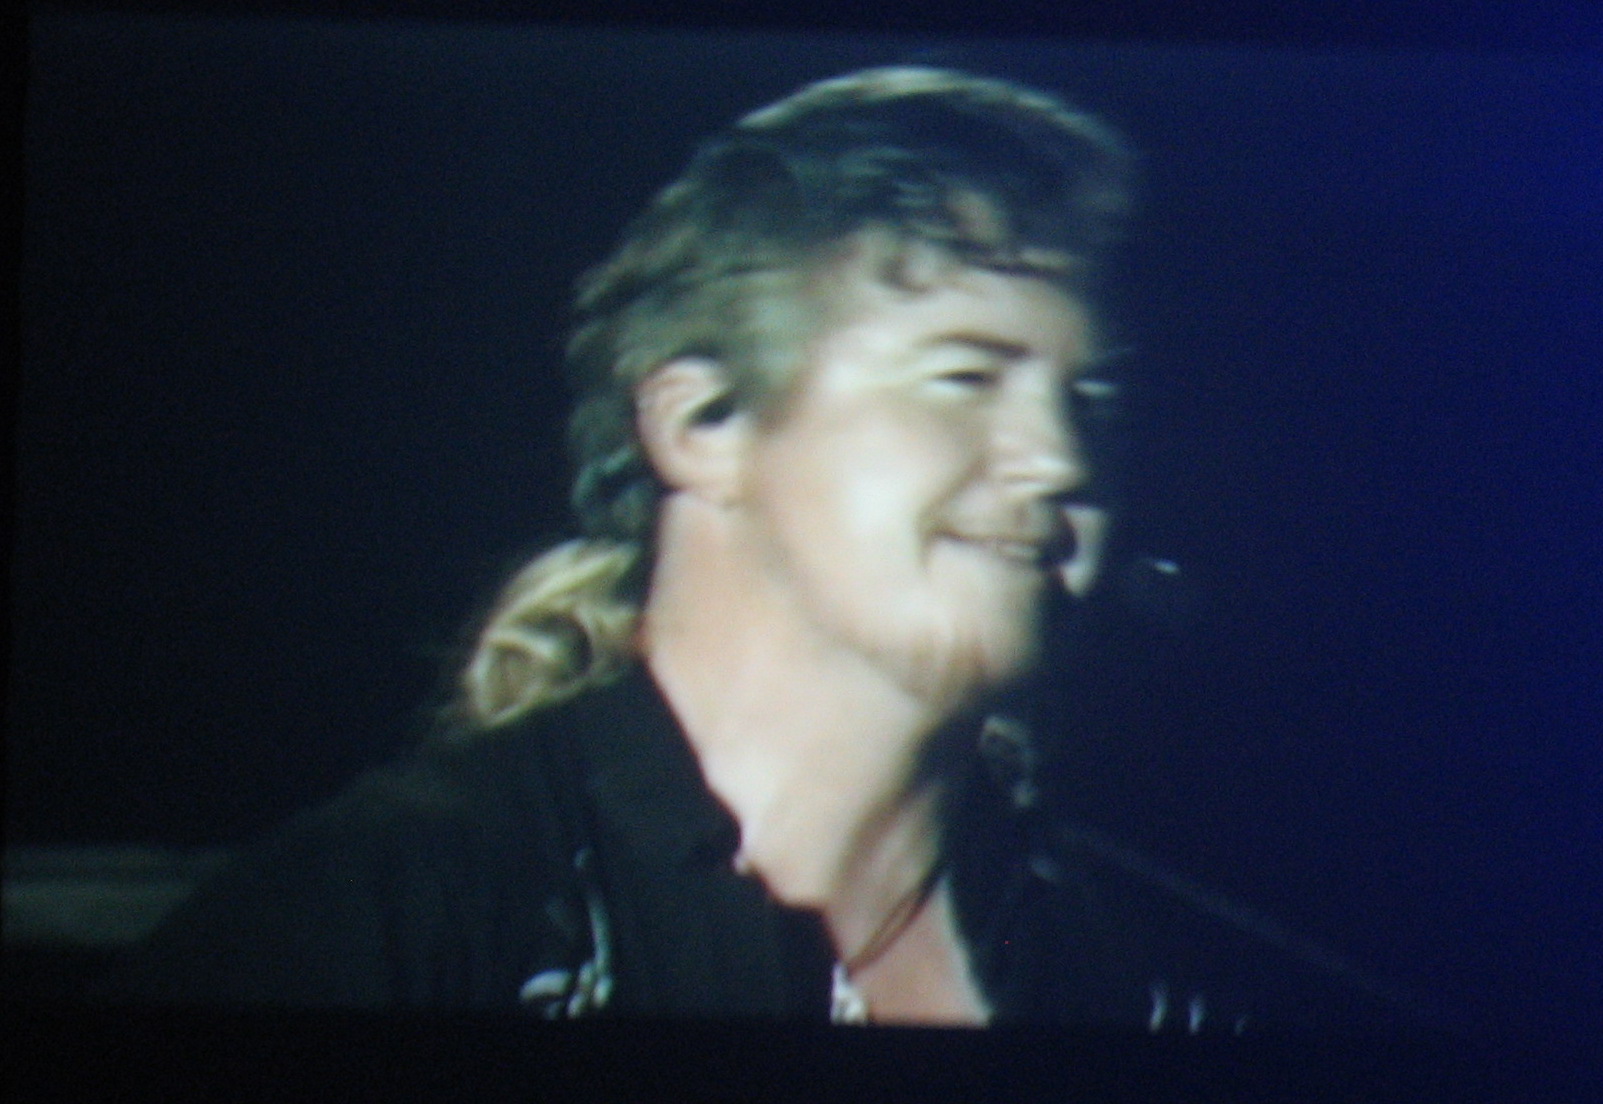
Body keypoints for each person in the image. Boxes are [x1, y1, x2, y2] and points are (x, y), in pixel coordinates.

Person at [102, 67, 1395, 1028]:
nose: (1059, 459)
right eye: (965, 375)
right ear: (702, 425)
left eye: (1090, 401)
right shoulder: (378, 926)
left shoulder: (1182, 987)